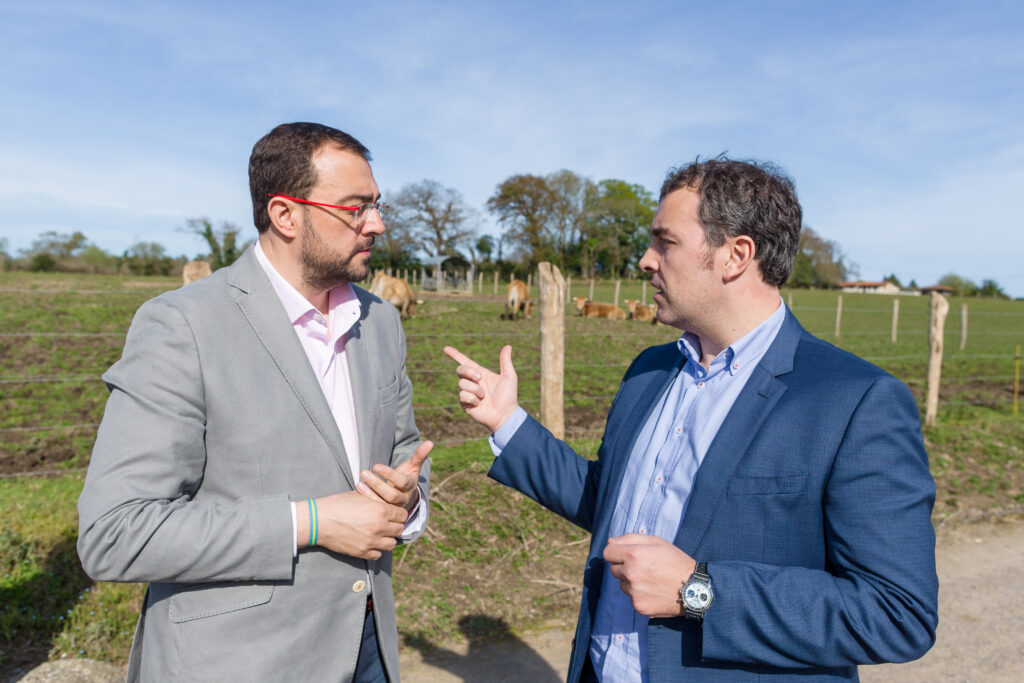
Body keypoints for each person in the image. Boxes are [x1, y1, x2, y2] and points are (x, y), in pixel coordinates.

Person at [445, 158, 937, 682]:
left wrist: (696, 592)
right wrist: (507, 422)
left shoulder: (854, 401)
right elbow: (612, 504)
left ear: (735, 256)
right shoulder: (649, 371)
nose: (645, 261)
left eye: (665, 242)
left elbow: (897, 613)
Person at [78, 122, 431, 682]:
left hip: (369, 649)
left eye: (376, 205)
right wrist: (310, 522)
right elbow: (115, 532)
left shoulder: (381, 321)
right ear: (285, 214)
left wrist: (408, 498)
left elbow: (405, 448)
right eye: (355, 208)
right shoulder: (182, 326)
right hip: (240, 663)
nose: (377, 224)